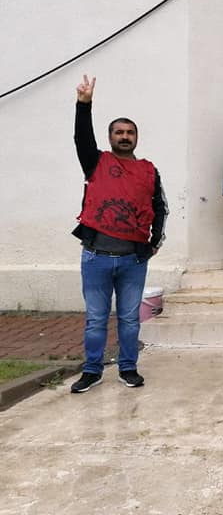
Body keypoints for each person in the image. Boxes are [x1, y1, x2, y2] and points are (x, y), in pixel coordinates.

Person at [70, 75, 168, 393]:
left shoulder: (149, 170)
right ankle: (92, 370)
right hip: (96, 257)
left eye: (129, 133)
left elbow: (161, 208)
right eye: (119, 132)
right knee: (96, 319)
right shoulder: (96, 162)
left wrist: (154, 243)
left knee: (129, 319)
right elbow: (81, 138)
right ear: (110, 137)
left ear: (136, 138)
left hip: (132, 260)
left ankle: (128, 368)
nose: (124, 137)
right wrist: (84, 105)